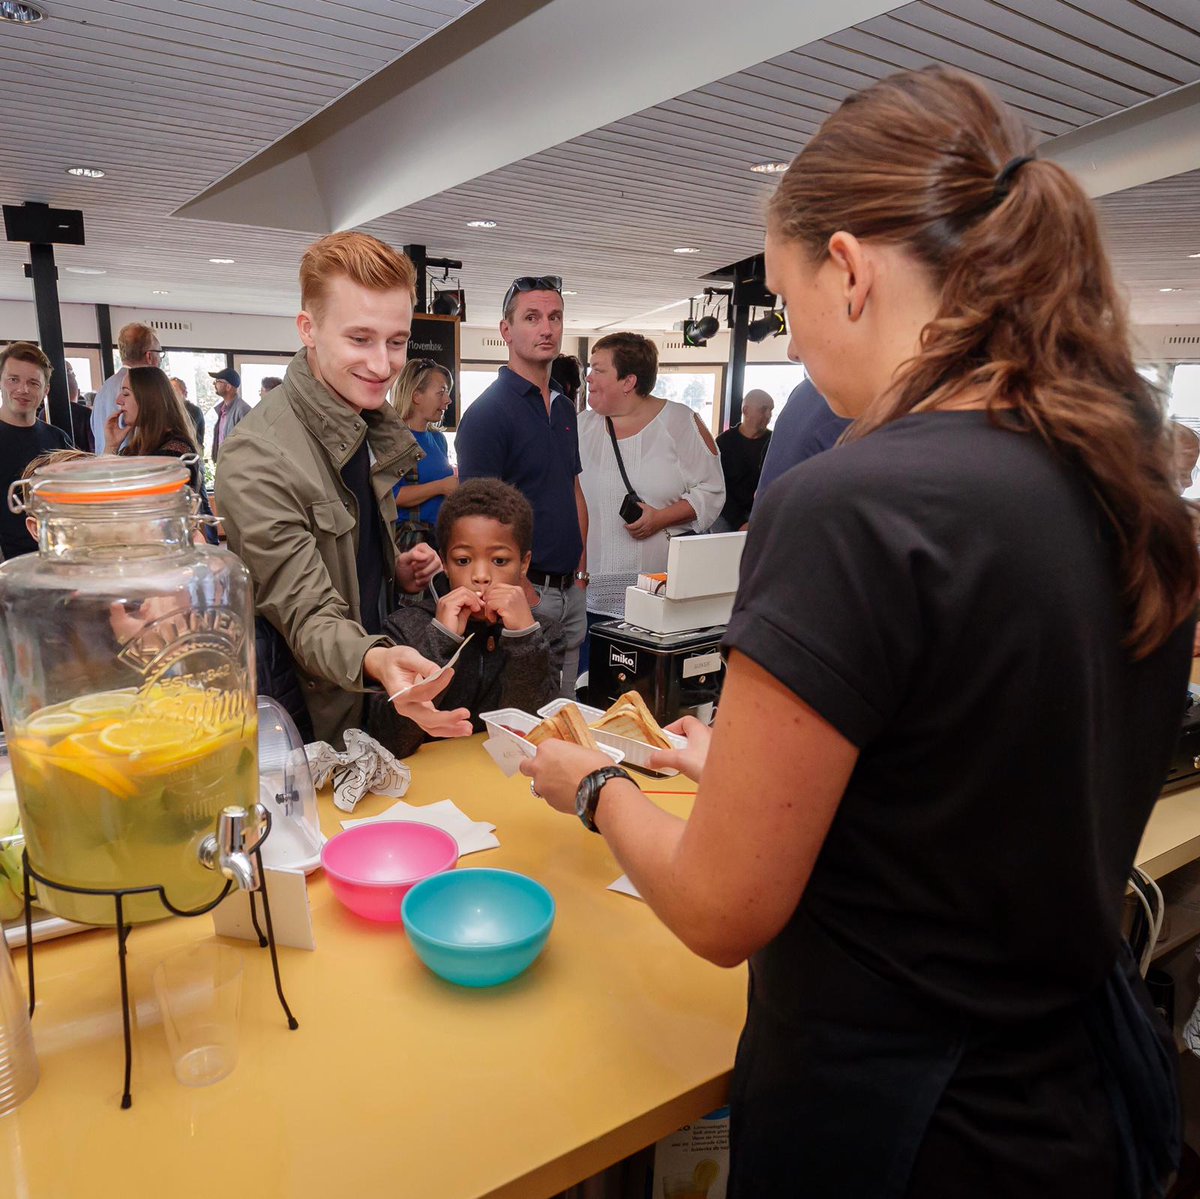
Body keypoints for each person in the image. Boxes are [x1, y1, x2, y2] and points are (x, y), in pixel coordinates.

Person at [520, 66, 1198, 1198]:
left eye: (786, 304)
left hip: (905, 1128)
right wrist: (746, 772)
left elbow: (721, 909)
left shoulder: (854, 503)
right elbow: (977, 780)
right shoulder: (1123, 480)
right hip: (1075, 1099)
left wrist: (595, 786)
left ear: (848, 270)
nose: (792, 349)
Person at [215, 231, 472, 749]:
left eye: (396, 342)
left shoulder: (366, 421)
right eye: (359, 339)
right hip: (313, 731)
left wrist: (394, 569)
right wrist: (376, 657)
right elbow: (306, 613)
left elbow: (346, 560)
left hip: (374, 705)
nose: (382, 365)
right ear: (308, 329)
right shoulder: (257, 457)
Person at [455, 275, 588, 699]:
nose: (546, 328)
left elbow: (572, 489)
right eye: (532, 318)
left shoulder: (564, 407)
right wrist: (523, 593)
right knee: (524, 715)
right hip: (524, 595)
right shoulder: (488, 414)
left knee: (566, 713)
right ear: (506, 331)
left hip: (571, 590)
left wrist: (581, 574)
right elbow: (474, 522)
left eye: (555, 317)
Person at [368, 479, 560, 757]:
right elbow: (389, 742)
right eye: (463, 561)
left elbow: (532, 738)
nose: (480, 576)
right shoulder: (405, 628)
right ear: (445, 564)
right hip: (426, 781)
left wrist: (524, 637)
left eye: (499, 560)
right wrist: (441, 639)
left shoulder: (545, 633)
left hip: (503, 778)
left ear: (524, 564)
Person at [579, 331, 725, 623]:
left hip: (659, 594)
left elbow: (712, 491)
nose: (588, 378)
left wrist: (660, 518)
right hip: (591, 596)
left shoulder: (679, 422)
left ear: (628, 382)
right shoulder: (582, 427)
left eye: (598, 370)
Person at [0, 342, 73, 560]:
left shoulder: (58, 438)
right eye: (13, 380)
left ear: (45, 390)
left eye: (33, 383)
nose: (23, 389)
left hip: (57, 556)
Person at [751, 376, 850, 517]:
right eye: (763, 410)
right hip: (799, 517)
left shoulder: (805, 390)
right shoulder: (848, 395)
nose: (768, 415)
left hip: (775, 514)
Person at [104, 367, 206, 492]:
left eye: (126, 394)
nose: (118, 401)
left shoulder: (173, 452)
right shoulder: (137, 447)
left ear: (150, 400)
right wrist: (111, 445)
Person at [391, 358, 457, 550]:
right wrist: (441, 487)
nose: (448, 400)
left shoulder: (438, 439)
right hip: (410, 544)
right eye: (441, 392)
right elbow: (392, 496)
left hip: (440, 539)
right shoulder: (394, 439)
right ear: (416, 396)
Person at [90, 323, 162, 452]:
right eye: (159, 353)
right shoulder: (141, 390)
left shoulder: (104, 388)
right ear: (149, 356)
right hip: (135, 462)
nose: (160, 359)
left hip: (106, 460)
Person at [712, 389, 773, 531]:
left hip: (761, 512)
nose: (769, 415)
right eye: (764, 409)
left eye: (771, 410)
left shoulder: (775, 442)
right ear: (745, 410)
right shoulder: (724, 442)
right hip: (727, 512)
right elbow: (717, 488)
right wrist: (739, 523)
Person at [209, 368, 250, 461]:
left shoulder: (243, 409)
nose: (214, 384)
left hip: (235, 464)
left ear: (228, 387)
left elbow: (247, 444)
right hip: (224, 462)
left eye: (217, 381)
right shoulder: (222, 409)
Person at [170, 375, 206, 449]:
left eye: (173, 390)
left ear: (184, 393)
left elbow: (183, 432)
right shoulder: (169, 411)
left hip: (191, 449)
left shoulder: (194, 411)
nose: (170, 393)